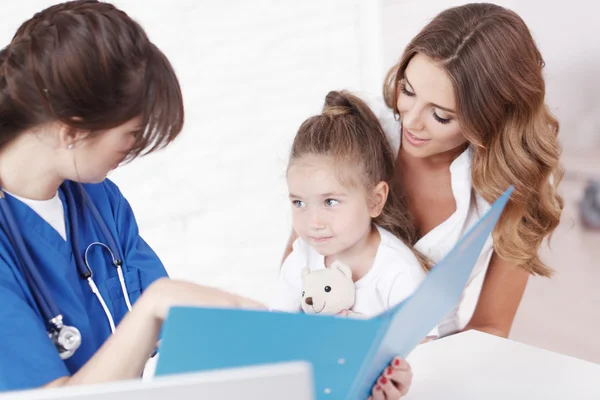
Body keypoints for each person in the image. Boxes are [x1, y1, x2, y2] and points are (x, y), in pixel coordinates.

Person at [282, 3, 563, 398]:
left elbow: (492, 326)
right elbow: (302, 251)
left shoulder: (516, 185)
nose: (411, 121)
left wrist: (411, 373)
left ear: (493, 117)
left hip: (427, 369)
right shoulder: (362, 134)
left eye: (442, 116)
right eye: (407, 91)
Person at [0, 0, 264, 392]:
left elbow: (173, 328)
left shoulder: (100, 202)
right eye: (131, 132)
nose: (137, 144)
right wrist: (154, 305)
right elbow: (152, 309)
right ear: (71, 130)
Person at [271, 90, 431, 320]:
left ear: (375, 200)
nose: (313, 222)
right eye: (299, 203)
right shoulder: (301, 259)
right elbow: (278, 327)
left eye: (330, 201)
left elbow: (422, 347)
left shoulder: (398, 271)